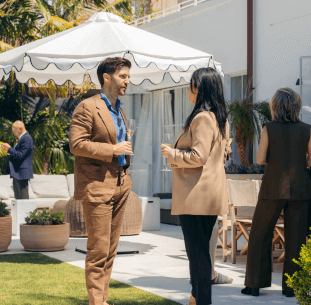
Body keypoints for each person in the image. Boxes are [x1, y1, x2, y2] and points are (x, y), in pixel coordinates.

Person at [161, 67, 231, 305]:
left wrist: (172, 155)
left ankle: (201, 300)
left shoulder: (202, 118)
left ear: (201, 88)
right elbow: (220, 155)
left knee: (198, 253)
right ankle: (196, 297)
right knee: (200, 252)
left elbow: (198, 156)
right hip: (207, 194)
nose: (188, 89)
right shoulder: (218, 118)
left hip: (196, 195)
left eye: (192, 84)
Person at [69, 57, 133, 305]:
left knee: (110, 250)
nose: (128, 81)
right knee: (98, 249)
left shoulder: (118, 109)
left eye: (128, 76)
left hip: (121, 184)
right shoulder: (87, 107)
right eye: (123, 76)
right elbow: (77, 145)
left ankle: (102, 299)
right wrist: (113, 150)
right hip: (97, 187)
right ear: (107, 77)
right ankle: (96, 301)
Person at [242, 88, 311, 298]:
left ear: (275, 106)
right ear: (296, 106)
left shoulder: (268, 128)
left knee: (259, 234)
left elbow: (261, 159)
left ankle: (254, 285)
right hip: (301, 187)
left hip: (273, 186)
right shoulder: (307, 129)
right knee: (297, 238)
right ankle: (292, 287)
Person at [0, 121, 33, 199]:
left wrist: (10, 149)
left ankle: (25, 212)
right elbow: (17, 154)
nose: (14, 133)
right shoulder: (22, 139)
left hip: (22, 173)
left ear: (20, 129)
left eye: (14, 131)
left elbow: (21, 155)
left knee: (23, 198)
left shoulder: (27, 138)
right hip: (17, 173)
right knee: (18, 198)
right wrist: (7, 151)